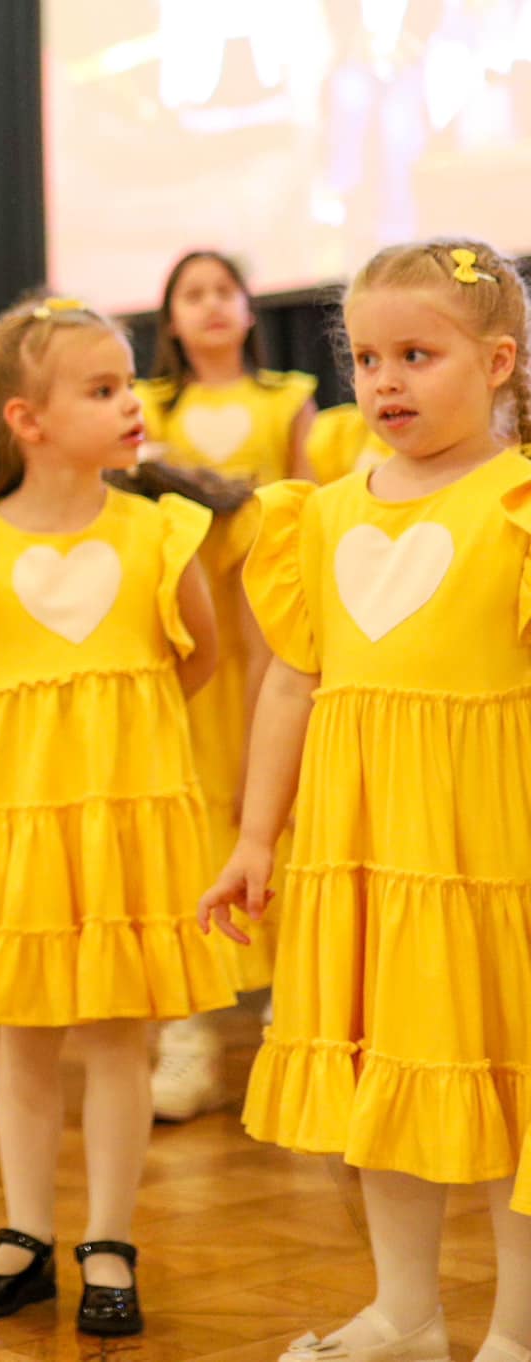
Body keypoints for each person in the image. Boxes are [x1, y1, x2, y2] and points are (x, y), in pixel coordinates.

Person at [0, 295, 235, 1338]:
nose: (129, 403)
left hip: (121, 826)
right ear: (25, 419)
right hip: (11, 825)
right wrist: (18, 761)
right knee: (21, 1040)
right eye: (101, 388)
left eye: (127, 383)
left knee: (117, 1043)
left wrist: (111, 746)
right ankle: (24, 1234)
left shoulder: (159, 532)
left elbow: (195, 659)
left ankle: (106, 1237)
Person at [201, 239, 531, 1362]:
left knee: (510, 1083)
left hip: (490, 855)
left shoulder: (519, 502)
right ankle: (406, 1311)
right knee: (384, 1082)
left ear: (495, 362)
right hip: (362, 850)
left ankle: (515, 1329)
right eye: (366, 356)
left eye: (416, 355)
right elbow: (291, 681)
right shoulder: (319, 515)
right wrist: (255, 835)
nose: (382, 380)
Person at [137, 250, 321, 1119]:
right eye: (192, 294)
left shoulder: (286, 399)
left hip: (268, 636)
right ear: (170, 318)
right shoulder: (147, 408)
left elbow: (310, 502)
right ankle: (190, 1033)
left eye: (224, 291)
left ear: (251, 309)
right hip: (193, 631)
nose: (210, 306)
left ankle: (297, 1005)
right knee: (195, 806)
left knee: (275, 793)